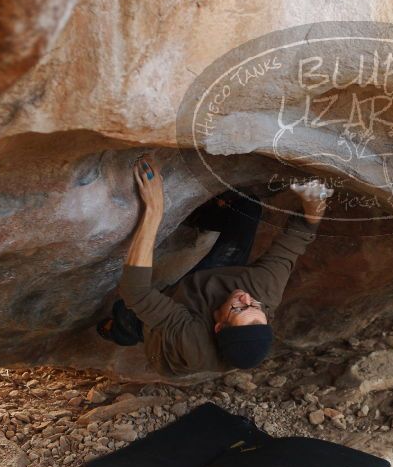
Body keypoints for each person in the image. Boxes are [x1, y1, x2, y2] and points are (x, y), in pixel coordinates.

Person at [98, 155, 332, 376]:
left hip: (164, 344)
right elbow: (300, 235)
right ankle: (200, 217)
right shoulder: (262, 289)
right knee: (247, 209)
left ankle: (118, 330)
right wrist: (315, 204)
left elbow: (135, 292)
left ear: (218, 327)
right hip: (205, 294)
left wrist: (154, 210)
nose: (245, 298)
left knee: (130, 316)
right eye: (255, 308)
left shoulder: (191, 340)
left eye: (240, 309)